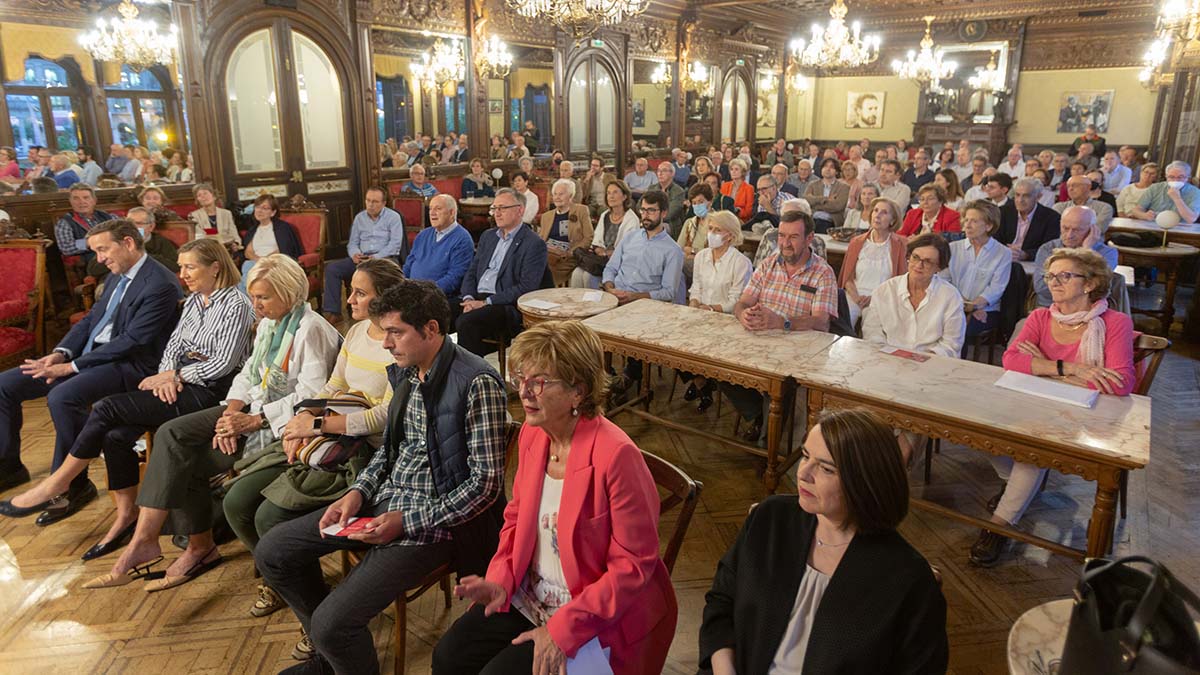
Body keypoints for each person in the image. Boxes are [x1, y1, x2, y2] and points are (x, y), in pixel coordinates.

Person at [254, 279, 507, 674]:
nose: (386, 343)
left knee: (332, 623)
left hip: (435, 524)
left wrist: (406, 521)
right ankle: (334, 657)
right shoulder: (408, 372)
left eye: (395, 332)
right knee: (274, 551)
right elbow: (390, 450)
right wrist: (357, 492)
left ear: (431, 330)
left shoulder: (476, 383)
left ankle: (334, 646)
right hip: (383, 502)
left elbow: (485, 487)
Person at [433, 320, 677, 675]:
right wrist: (500, 580)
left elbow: (632, 566)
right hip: (534, 594)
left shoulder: (616, 455)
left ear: (578, 390)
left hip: (596, 614)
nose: (524, 392)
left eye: (539, 382)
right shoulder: (535, 435)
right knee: (449, 656)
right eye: (520, 379)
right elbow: (516, 519)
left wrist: (562, 630)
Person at [87, 254, 340, 592]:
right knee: (171, 433)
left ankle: (193, 547)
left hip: (284, 424)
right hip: (250, 409)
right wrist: (228, 415)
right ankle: (148, 540)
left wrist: (250, 421)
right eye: (253, 297)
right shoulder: (269, 323)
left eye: (263, 297)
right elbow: (249, 374)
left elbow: (312, 397)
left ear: (290, 293)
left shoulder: (310, 329)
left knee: (185, 458)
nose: (256, 305)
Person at [0, 239, 251, 556]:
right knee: (116, 436)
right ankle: (125, 516)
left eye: (190, 267)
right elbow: (172, 348)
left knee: (106, 408)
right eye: (181, 266)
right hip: (177, 382)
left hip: (210, 391)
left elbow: (222, 364)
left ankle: (59, 482)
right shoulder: (193, 302)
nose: (182, 274)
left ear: (215, 267)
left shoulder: (236, 304)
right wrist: (165, 375)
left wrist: (174, 376)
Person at [699, 408, 949, 674]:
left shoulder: (908, 579)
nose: (803, 473)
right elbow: (721, 601)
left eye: (826, 468)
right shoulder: (770, 518)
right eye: (806, 456)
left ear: (865, 481)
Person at [224, 259, 402, 624]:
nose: (348, 299)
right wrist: (304, 417)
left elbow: (384, 416)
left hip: (365, 451)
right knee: (236, 501)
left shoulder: (397, 341)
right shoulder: (355, 333)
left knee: (268, 516)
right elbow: (333, 387)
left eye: (359, 293)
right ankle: (284, 580)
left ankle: (314, 609)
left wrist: (320, 424)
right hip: (328, 435)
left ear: (383, 298)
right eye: (351, 289)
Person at [0, 219, 182, 510]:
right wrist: (61, 353)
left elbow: (133, 341)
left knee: (63, 396)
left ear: (128, 243)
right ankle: (8, 466)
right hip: (88, 357)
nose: (99, 259)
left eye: (102, 250)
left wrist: (71, 368)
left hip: (131, 365)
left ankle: (71, 486)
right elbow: (90, 320)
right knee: (5, 385)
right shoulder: (116, 274)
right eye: (95, 252)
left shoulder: (160, 283)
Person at [978, 249, 1135, 566]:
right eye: (1051, 276)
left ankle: (997, 527)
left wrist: (1040, 363)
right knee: (979, 428)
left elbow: (1119, 382)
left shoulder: (1114, 322)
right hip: (1034, 400)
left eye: (1065, 276)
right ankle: (1018, 490)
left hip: (1087, 415)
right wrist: (1071, 369)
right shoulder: (1040, 316)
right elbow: (1011, 360)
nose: (1054, 283)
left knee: (1030, 452)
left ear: (1089, 283)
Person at [727, 210, 837, 441]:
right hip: (760, 339)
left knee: (777, 383)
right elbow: (743, 302)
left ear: (809, 239)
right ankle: (758, 416)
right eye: (782, 236)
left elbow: (821, 321)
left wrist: (783, 322)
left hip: (798, 349)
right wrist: (743, 314)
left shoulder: (823, 272)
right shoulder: (768, 264)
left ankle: (768, 447)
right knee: (720, 366)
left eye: (793, 237)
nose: (785, 243)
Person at [603, 190, 685, 399]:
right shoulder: (630, 238)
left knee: (634, 328)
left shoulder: (672, 250)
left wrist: (634, 297)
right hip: (614, 298)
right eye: (643, 210)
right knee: (585, 328)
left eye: (651, 210)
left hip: (644, 306)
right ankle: (603, 374)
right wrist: (610, 287)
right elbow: (610, 268)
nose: (645, 215)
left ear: (663, 213)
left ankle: (630, 376)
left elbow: (668, 292)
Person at [457, 188, 548, 357]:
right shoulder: (488, 236)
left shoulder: (533, 243)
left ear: (519, 210)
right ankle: (436, 372)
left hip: (504, 304)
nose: (496, 213)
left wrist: (485, 303)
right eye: (494, 208)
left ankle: (472, 376)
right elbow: (472, 271)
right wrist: (469, 298)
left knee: (466, 323)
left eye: (502, 208)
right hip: (476, 297)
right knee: (437, 309)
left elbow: (526, 287)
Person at [685, 210, 752, 411]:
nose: (711, 234)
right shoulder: (702, 256)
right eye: (710, 229)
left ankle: (704, 382)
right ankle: (702, 384)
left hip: (726, 320)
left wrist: (711, 308)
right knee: (674, 344)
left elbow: (737, 301)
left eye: (717, 230)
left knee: (702, 344)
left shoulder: (740, 262)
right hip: (700, 315)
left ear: (730, 235)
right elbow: (696, 286)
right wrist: (694, 304)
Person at [863, 233, 965, 359]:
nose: (918, 265)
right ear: (908, 256)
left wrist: (924, 359)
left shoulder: (950, 297)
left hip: (932, 365)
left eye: (927, 262)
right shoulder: (885, 291)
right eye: (915, 257)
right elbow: (872, 332)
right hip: (888, 360)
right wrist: (889, 354)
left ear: (939, 267)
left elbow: (951, 344)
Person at [321, 186, 407, 322]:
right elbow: (353, 242)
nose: (370, 205)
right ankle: (333, 311)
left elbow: (395, 245)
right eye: (368, 201)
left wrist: (376, 257)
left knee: (382, 274)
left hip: (385, 258)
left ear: (384, 203)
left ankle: (386, 310)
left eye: (375, 202)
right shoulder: (359, 218)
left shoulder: (393, 217)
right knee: (332, 269)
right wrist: (354, 254)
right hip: (362, 258)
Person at [944, 200, 1011, 344]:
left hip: (987, 309)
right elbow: (944, 280)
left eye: (974, 221)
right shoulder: (952, 248)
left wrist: (975, 306)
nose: (967, 225)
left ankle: (959, 366)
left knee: (960, 329)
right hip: (953, 303)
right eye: (966, 220)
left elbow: (996, 288)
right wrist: (963, 305)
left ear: (988, 225)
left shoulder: (1003, 253)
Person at [1032, 205, 1118, 307]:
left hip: (1087, 311)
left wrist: (1086, 251)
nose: (1069, 235)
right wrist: (1078, 287)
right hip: (1048, 308)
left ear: (1092, 230)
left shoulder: (1107, 253)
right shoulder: (1047, 249)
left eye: (1077, 230)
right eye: (1065, 228)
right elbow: (1041, 287)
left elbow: (1096, 289)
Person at [841, 198, 908, 327]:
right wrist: (856, 298)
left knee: (872, 330)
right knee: (844, 325)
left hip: (883, 298)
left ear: (892, 221)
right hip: (854, 295)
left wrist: (874, 299)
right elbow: (847, 278)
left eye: (884, 212)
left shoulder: (901, 244)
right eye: (876, 211)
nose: (877, 215)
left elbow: (900, 282)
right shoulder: (857, 242)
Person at [570, 180, 639, 289]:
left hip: (619, 263)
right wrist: (600, 251)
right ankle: (578, 305)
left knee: (588, 276)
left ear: (625, 196)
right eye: (608, 193)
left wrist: (607, 254)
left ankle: (597, 305)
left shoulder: (631, 219)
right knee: (576, 273)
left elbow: (628, 250)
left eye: (615, 192)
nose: (611, 196)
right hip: (601, 259)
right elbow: (596, 243)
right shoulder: (604, 215)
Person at [404, 194, 475, 297]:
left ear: (452, 213)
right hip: (411, 292)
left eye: (438, 209)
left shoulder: (462, 239)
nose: (432, 213)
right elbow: (408, 265)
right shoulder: (423, 234)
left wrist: (425, 292)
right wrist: (401, 285)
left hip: (435, 297)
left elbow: (454, 278)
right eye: (430, 209)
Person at [86, 206, 179, 281]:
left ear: (151, 226)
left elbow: (174, 266)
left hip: (148, 282)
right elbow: (93, 270)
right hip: (114, 282)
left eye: (138, 223)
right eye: (129, 222)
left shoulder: (161, 242)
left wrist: (139, 255)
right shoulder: (115, 241)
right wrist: (118, 258)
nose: (133, 227)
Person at [539, 178, 594, 287]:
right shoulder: (546, 216)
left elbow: (589, 237)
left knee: (545, 271)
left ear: (570, 195)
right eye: (555, 194)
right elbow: (541, 239)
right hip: (548, 254)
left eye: (561, 194)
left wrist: (570, 253)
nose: (557, 197)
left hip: (569, 257)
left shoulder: (581, 210)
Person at [240, 193, 304, 286]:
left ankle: (246, 296)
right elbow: (248, 252)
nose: (259, 211)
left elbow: (283, 250)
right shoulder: (252, 230)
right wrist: (259, 261)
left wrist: (265, 261)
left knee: (248, 269)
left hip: (275, 264)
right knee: (248, 266)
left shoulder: (283, 228)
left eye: (265, 208)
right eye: (257, 207)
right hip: (256, 264)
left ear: (273, 212)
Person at [996, 177, 1062, 262]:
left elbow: (1049, 248)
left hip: (1031, 263)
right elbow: (993, 240)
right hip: (1002, 258)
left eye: (1026, 196)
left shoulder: (1052, 218)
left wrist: (1026, 255)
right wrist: (1004, 251)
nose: (1020, 200)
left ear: (1038, 197)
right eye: (1017, 195)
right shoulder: (1002, 212)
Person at [53, 183, 117, 261]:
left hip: (115, 252)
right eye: (76, 198)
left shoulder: (108, 216)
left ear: (94, 201)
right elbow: (66, 248)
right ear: (70, 202)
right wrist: (90, 242)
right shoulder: (65, 222)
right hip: (93, 259)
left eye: (86, 198)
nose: (81, 202)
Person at [1131, 160, 1200, 224]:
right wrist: (1145, 215)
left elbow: (1191, 219)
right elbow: (1136, 210)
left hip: (1180, 229)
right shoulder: (1155, 188)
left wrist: (1177, 199)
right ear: (1166, 177)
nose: (1175, 180)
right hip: (1154, 226)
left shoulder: (1195, 192)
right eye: (1171, 177)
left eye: (1180, 177)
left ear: (1188, 178)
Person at [804, 158, 850, 232]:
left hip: (831, 220)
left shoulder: (844, 187)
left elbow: (837, 206)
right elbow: (806, 201)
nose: (828, 169)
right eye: (825, 166)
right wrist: (825, 199)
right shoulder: (812, 184)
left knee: (821, 223)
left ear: (837, 172)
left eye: (831, 167)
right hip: (813, 218)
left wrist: (815, 204)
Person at [647, 161, 687, 236]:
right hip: (651, 220)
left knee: (657, 230)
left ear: (672, 174)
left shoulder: (679, 191)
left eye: (664, 170)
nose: (660, 173)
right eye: (658, 170)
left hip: (669, 224)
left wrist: (651, 217)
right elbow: (639, 205)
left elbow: (669, 214)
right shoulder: (651, 188)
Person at [721, 158, 755, 223]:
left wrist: (736, 211)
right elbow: (721, 204)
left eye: (736, 169)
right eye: (731, 169)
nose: (733, 171)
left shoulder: (749, 188)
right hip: (725, 219)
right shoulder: (725, 186)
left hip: (740, 220)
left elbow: (748, 212)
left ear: (742, 172)